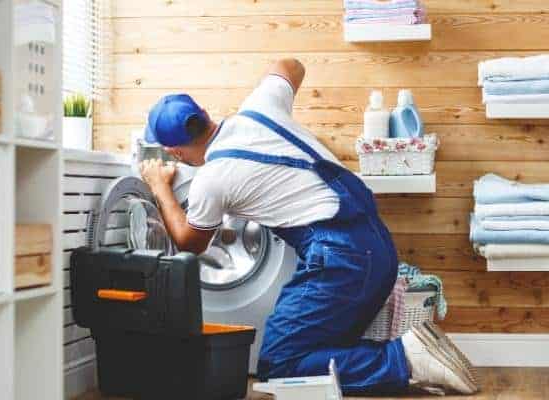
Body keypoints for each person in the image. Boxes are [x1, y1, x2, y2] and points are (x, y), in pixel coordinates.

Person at [139, 58, 479, 396]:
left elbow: (189, 242)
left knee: (280, 364)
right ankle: (405, 358)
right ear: (205, 114)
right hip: (376, 247)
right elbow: (290, 65)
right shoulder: (260, 105)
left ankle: (406, 358)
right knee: (321, 347)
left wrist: (160, 187)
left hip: (341, 260)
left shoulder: (210, 181)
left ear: (175, 153)